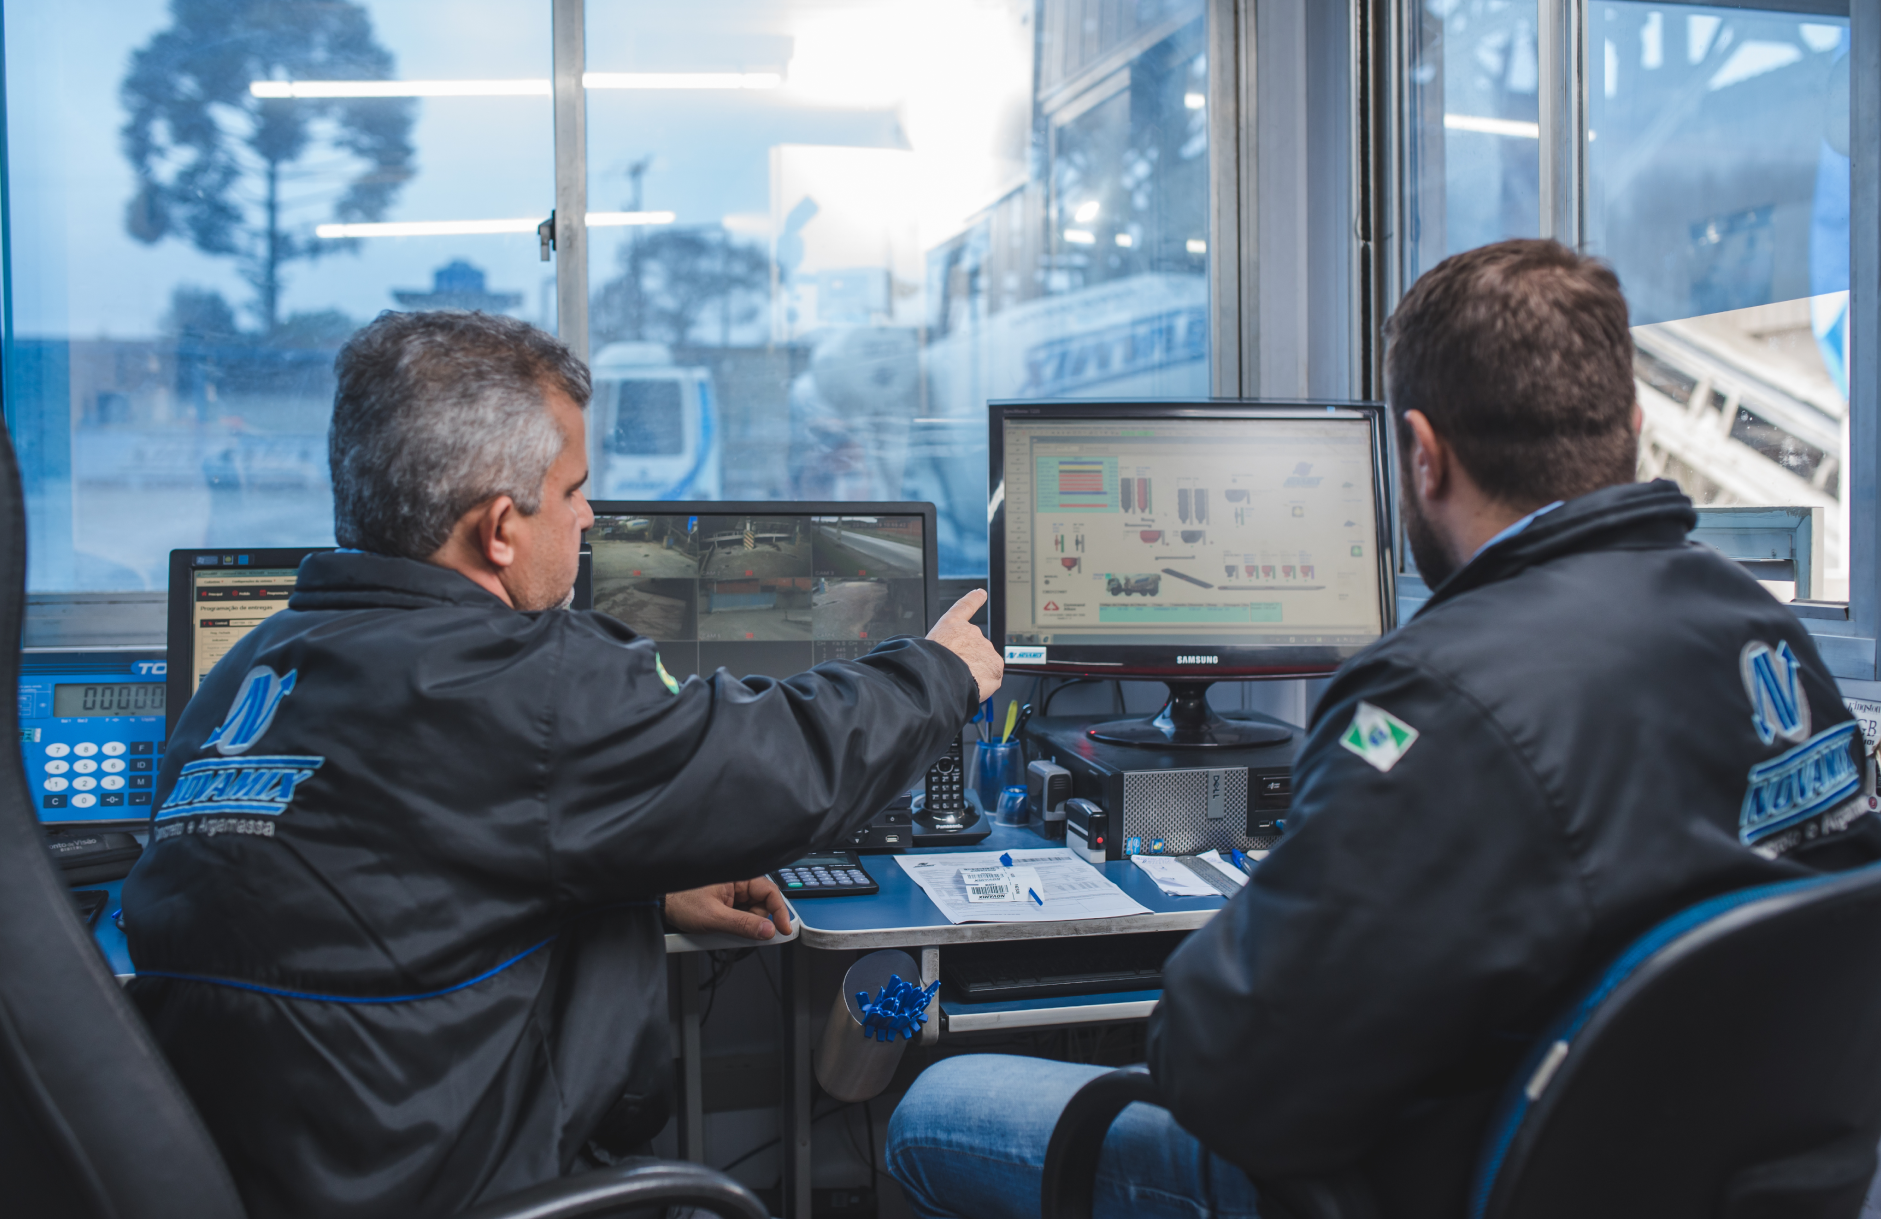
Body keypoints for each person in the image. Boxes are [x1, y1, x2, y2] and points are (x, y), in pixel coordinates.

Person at [887, 239, 1881, 1218]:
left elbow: (1228, 1078)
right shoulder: (1765, 634)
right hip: (1677, 1177)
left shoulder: (1433, 699)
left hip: (1430, 1181)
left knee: (930, 1110)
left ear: (1422, 452)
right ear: (1627, 422)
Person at [123, 311, 1002, 1219]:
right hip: (473, 1187)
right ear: (500, 528)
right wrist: (938, 674)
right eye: (575, 490)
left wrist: (639, 892)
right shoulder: (527, 679)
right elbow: (784, 760)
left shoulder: (243, 676)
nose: (589, 517)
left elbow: (391, 896)